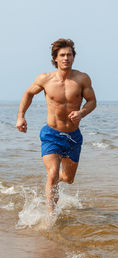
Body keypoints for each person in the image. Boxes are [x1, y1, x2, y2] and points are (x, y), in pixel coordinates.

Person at [16, 38, 97, 215]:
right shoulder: (45, 79)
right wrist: (21, 116)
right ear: (55, 59)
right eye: (62, 55)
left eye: (69, 54)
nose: (66, 58)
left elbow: (92, 101)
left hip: (73, 136)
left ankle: (51, 186)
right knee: (52, 173)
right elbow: (28, 93)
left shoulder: (82, 79)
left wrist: (81, 113)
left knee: (68, 179)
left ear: (74, 57)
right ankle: (51, 216)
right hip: (51, 134)